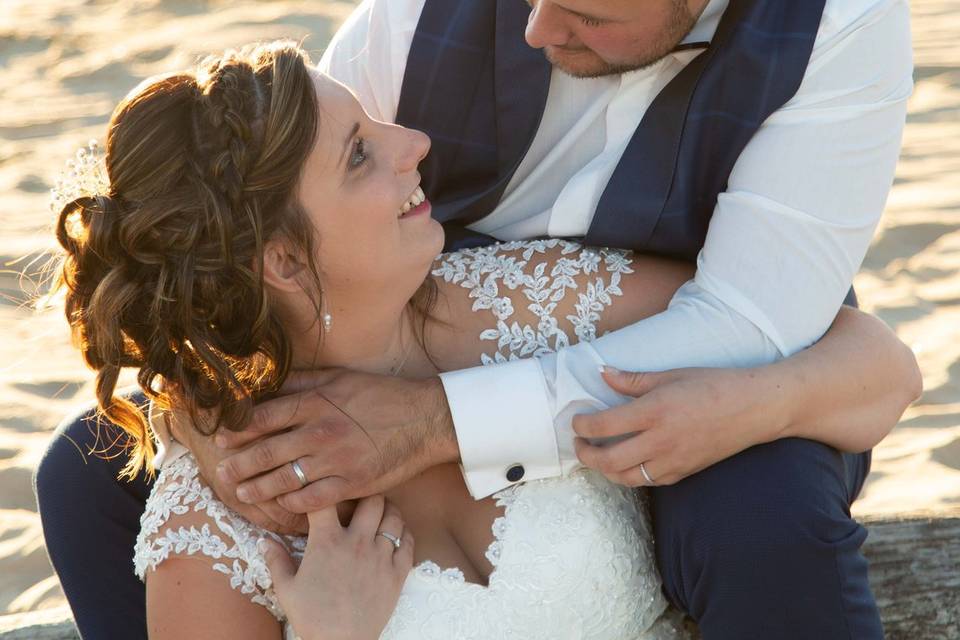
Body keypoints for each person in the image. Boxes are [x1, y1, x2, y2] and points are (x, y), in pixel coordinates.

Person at [34, 0, 917, 636]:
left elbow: (788, 331)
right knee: (85, 472)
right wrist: (199, 406)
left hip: (706, 330)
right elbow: (237, 221)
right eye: (363, 151)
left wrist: (436, 421)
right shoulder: (410, 28)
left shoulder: (838, 26)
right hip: (395, 326)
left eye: (583, 12)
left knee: (764, 522)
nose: (531, 27)